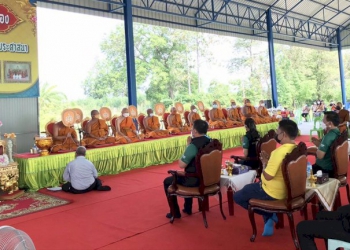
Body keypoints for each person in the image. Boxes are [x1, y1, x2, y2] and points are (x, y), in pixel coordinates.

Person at [233, 120, 298, 236]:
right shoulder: (297, 149)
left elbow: (267, 176)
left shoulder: (278, 152)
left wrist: (264, 164)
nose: (276, 135)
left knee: (238, 196)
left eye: (278, 132)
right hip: (289, 190)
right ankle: (268, 218)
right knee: (249, 188)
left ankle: (270, 214)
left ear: (284, 135)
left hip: (272, 191)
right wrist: (269, 162)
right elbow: (282, 168)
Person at [163, 120, 211, 218]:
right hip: (208, 178)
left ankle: (175, 212)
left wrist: (188, 147)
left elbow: (182, 164)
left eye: (192, 128)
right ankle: (187, 208)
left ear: (195, 131)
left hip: (194, 180)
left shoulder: (193, 145)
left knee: (167, 181)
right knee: (188, 172)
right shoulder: (211, 141)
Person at [310, 111, 340, 178]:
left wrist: (319, 147)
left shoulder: (328, 136)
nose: (322, 121)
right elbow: (328, 148)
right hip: (332, 167)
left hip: (323, 170)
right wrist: (319, 144)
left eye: (323, 120)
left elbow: (320, 156)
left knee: (302, 173)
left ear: (330, 123)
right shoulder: (337, 132)